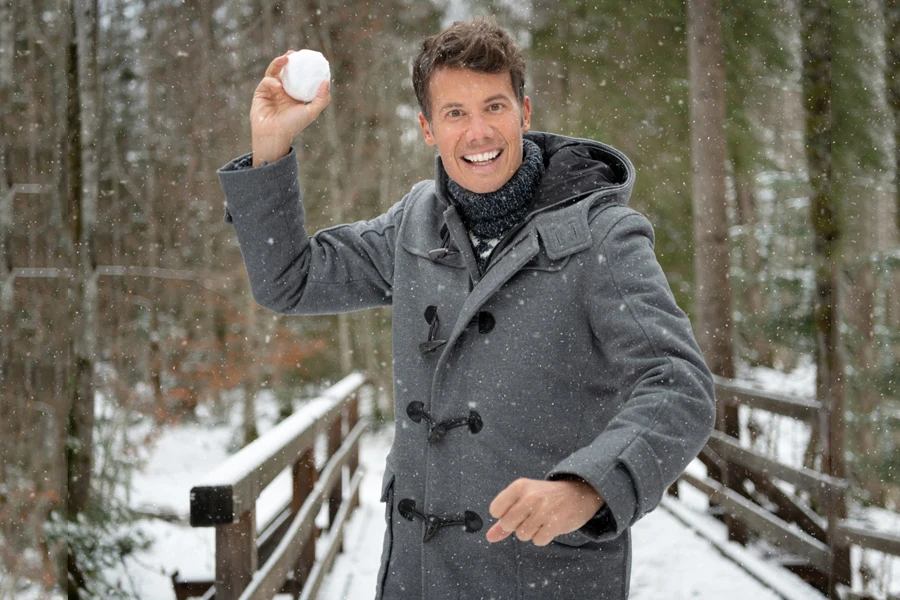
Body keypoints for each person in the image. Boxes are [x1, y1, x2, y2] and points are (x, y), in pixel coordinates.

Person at [218, 17, 715, 600]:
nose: (479, 132)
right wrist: (271, 143)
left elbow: (680, 384)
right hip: (417, 579)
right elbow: (290, 280)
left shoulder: (603, 237)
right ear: (428, 128)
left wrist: (587, 488)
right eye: (455, 113)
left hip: (544, 578)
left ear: (524, 113)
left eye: (494, 107)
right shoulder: (412, 225)